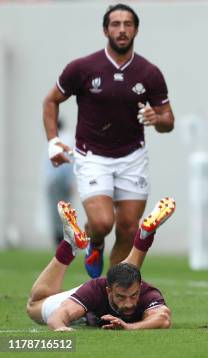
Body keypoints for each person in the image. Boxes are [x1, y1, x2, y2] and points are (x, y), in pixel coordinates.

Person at [42, 3, 175, 278]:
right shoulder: (83, 67)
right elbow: (51, 100)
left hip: (132, 157)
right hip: (93, 156)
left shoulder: (149, 73)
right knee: (103, 222)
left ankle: (110, 294)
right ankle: (95, 241)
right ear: (105, 30)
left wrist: (157, 118)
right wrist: (53, 141)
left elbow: (168, 121)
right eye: (115, 24)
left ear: (136, 29)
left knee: (128, 228)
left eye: (128, 24)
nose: (122, 29)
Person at [26, 197, 175, 331]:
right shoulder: (94, 290)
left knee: (126, 273)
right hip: (85, 311)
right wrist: (60, 328)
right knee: (34, 306)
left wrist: (129, 327)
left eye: (134, 295)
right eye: (121, 297)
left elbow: (163, 319)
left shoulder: (147, 293)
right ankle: (69, 245)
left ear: (140, 287)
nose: (129, 303)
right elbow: (58, 316)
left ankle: (144, 237)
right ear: (108, 291)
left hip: (105, 294)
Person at [45, 117, 75, 246]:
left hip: (57, 181)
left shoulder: (57, 140)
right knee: (65, 210)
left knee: (57, 211)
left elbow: (66, 164)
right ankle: (65, 239)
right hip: (62, 181)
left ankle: (61, 241)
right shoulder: (68, 138)